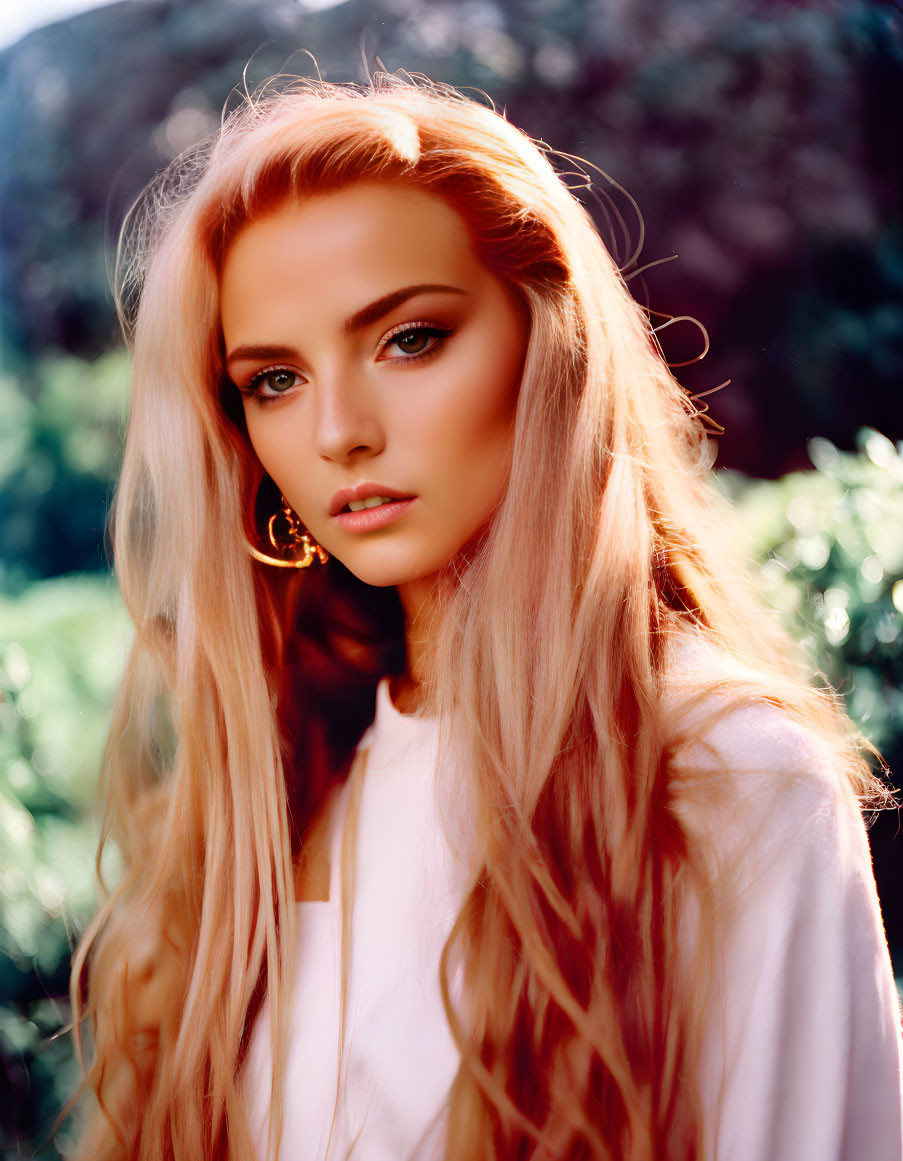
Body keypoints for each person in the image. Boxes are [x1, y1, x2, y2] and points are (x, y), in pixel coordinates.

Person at [67, 72, 903, 1161]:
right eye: (273, 380)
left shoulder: (726, 779)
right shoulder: (283, 787)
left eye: (407, 339)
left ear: (549, 346)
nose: (338, 433)